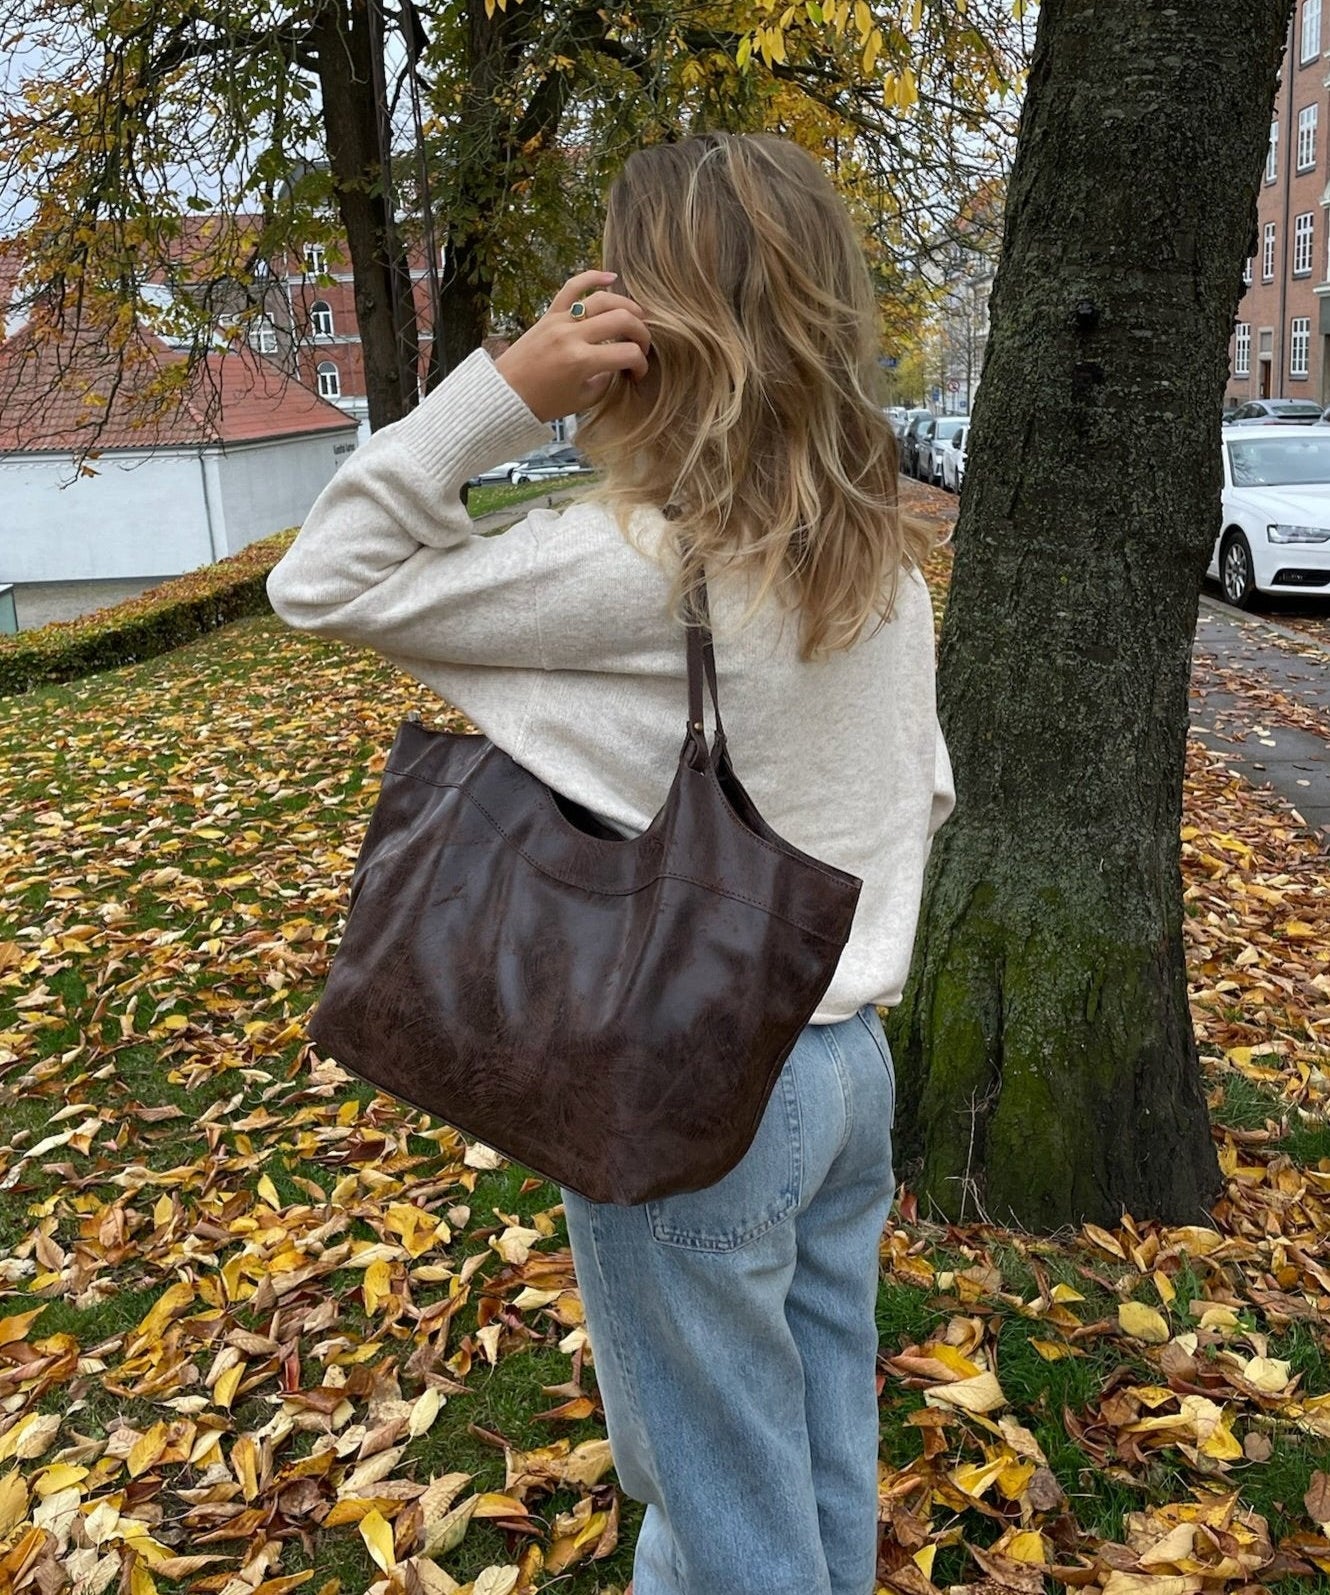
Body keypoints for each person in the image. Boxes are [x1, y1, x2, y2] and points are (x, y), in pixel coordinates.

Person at [267, 131, 954, 1595]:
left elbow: (319, 580)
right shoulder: (875, 555)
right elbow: (920, 792)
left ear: (650, 331)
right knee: (818, 1432)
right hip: (845, 1075)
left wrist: (503, 394)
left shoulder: (640, 558)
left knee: (718, 1494)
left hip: (693, 1084)